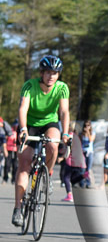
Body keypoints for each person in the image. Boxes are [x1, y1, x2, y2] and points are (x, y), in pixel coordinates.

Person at [11, 55, 70, 227]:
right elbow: (23, 108)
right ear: (42, 73)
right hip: (29, 124)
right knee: (24, 165)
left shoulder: (62, 88)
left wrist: (65, 133)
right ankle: (18, 208)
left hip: (49, 123)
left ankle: (47, 175)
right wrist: (23, 129)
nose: (51, 76)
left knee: (53, 144)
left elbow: (64, 112)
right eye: (48, 72)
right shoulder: (30, 86)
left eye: (55, 73)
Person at [79, 120, 95, 187]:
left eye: (88, 125)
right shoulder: (81, 134)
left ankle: (88, 183)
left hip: (89, 152)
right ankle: (82, 182)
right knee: (82, 168)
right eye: (85, 125)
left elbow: (91, 140)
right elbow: (79, 142)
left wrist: (88, 132)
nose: (86, 127)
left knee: (88, 168)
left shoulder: (92, 133)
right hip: (83, 152)